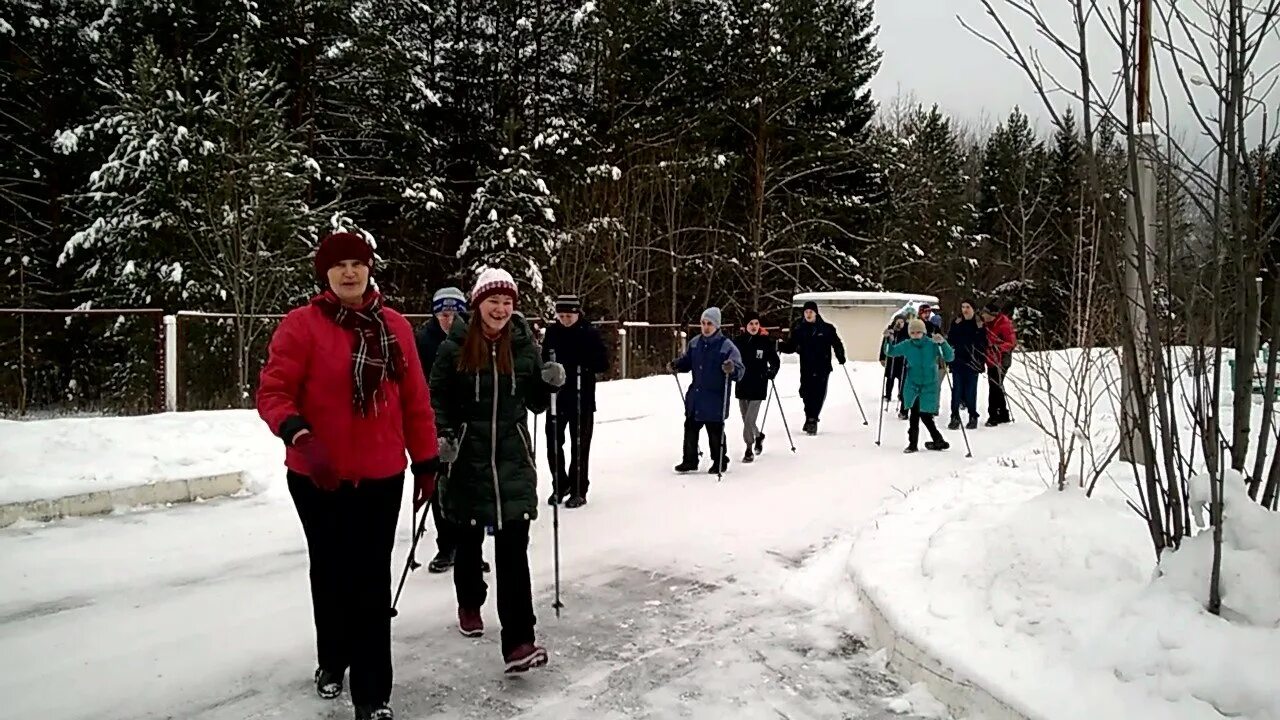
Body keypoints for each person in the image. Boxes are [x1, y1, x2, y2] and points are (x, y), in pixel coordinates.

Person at [257, 231, 439, 720]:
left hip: (381, 475)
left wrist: (425, 460)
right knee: (333, 573)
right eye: (340, 266)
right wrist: (300, 437)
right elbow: (273, 392)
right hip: (318, 476)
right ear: (326, 274)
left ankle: (373, 695)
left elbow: (416, 401)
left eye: (358, 264)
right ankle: (332, 660)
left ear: (370, 269)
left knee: (372, 581)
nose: (350, 273)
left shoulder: (396, 327)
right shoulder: (302, 326)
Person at [429, 267, 565, 673]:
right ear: (478, 304)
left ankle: (519, 641)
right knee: (469, 543)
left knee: (512, 554)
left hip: (511, 461)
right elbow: (436, 396)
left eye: (507, 302)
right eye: (494, 301)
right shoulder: (455, 346)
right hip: (468, 460)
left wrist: (548, 381)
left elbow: (537, 403)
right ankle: (470, 602)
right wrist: (444, 436)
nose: (501, 309)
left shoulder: (523, 343)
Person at [414, 287, 489, 575]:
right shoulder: (424, 340)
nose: (449, 319)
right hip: (435, 421)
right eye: (444, 314)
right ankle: (446, 546)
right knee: (441, 488)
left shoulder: (474, 337)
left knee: (472, 487)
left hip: (470, 422)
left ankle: (473, 549)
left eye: (455, 313)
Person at [541, 293, 609, 508]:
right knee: (553, 442)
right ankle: (560, 483)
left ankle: (579, 488)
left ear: (577, 313)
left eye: (569, 315)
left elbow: (603, 363)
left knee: (579, 445)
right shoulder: (552, 333)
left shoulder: (589, 333)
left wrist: (585, 363)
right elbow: (544, 359)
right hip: (557, 397)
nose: (565, 319)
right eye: (561, 315)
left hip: (582, 397)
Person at [670, 307, 745, 474]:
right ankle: (689, 460)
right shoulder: (695, 343)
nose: (705, 327)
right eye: (703, 323)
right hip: (696, 397)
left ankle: (720, 460)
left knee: (715, 432)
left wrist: (731, 368)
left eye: (709, 324)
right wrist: (677, 364)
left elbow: (739, 370)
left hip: (715, 398)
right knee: (690, 428)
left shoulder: (726, 346)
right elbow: (687, 361)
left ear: (717, 325)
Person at [883, 318, 954, 453]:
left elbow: (949, 357)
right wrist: (888, 340)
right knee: (915, 414)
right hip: (913, 383)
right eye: (913, 333)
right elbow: (890, 352)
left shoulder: (932, 344)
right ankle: (913, 444)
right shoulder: (908, 344)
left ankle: (938, 440)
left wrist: (943, 343)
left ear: (923, 332)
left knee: (925, 414)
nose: (915, 335)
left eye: (918, 332)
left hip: (929, 384)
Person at [779, 300, 846, 435]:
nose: (808, 314)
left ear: (816, 313)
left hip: (822, 366)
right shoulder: (799, 330)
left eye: (811, 312)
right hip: (807, 366)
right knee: (805, 393)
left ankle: (812, 419)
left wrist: (840, 355)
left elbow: (836, 343)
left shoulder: (827, 328)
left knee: (818, 394)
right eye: (806, 312)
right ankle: (809, 416)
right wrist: (779, 346)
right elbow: (791, 346)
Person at [731, 311, 780, 463]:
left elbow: (775, 361)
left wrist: (772, 371)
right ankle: (758, 436)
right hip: (742, 383)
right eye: (751, 324)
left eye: (756, 324)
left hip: (759, 384)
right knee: (746, 418)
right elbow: (730, 358)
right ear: (745, 326)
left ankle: (748, 448)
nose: (754, 326)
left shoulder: (765, 342)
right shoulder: (738, 342)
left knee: (749, 420)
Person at [946, 299, 987, 430]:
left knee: (970, 391)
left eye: (968, 307)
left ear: (973, 309)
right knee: (956, 391)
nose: (965, 310)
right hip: (958, 361)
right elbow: (951, 340)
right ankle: (954, 417)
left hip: (973, 362)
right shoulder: (957, 322)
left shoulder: (979, 323)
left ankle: (973, 416)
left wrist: (980, 360)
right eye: (963, 307)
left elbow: (983, 343)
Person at [980, 301, 1017, 426]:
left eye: (985, 314)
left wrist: (997, 347)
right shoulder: (987, 324)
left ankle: (993, 415)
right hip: (991, 359)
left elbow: (1011, 343)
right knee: (997, 385)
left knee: (995, 386)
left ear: (992, 315)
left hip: (1002, 359)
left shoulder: (1004, 324)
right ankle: (1003, 413)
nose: (983, 316)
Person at [879, 313, 910, 419]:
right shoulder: (891, 330)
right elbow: (885, 344)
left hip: (903, 361)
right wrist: (882, 357)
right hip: (892, 360)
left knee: (902, 380)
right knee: (890, 377)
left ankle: (901, 396)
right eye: (898, 321)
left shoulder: (907, 332)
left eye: (901, 322)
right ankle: (888, 394)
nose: (899, 324)